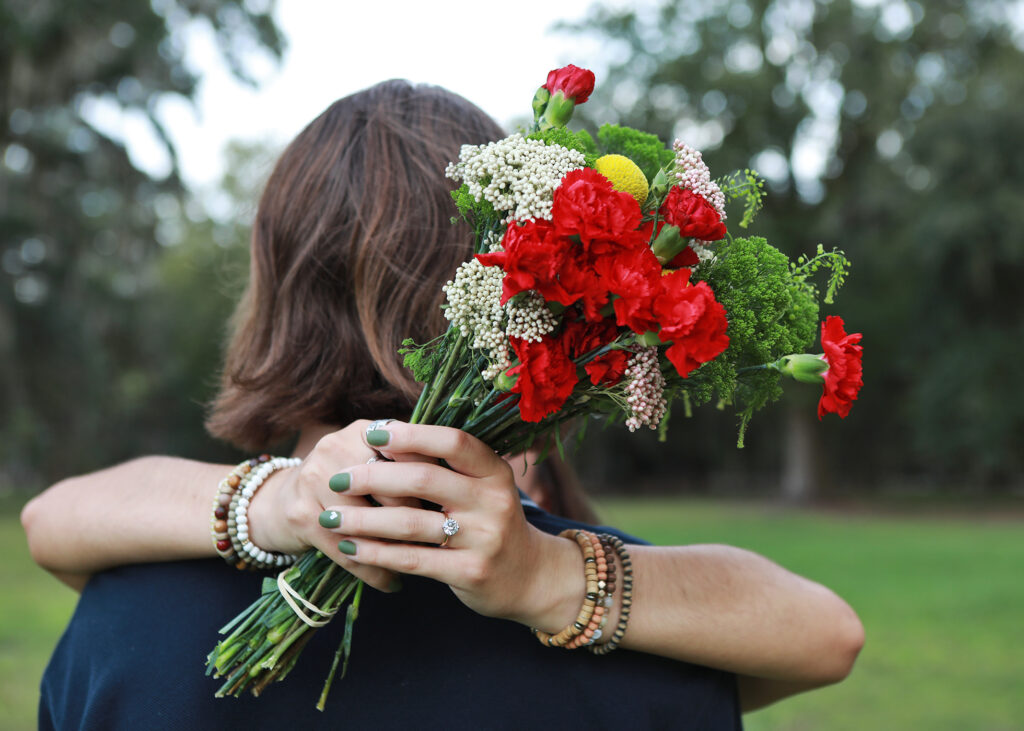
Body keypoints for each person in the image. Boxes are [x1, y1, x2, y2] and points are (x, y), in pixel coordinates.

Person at [21, 80, 863, 729]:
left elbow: (51, 523)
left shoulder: (114, 629)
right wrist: (553, 576)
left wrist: (539, 570)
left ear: (273, 293)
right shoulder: (662, 650)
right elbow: (827, 635)